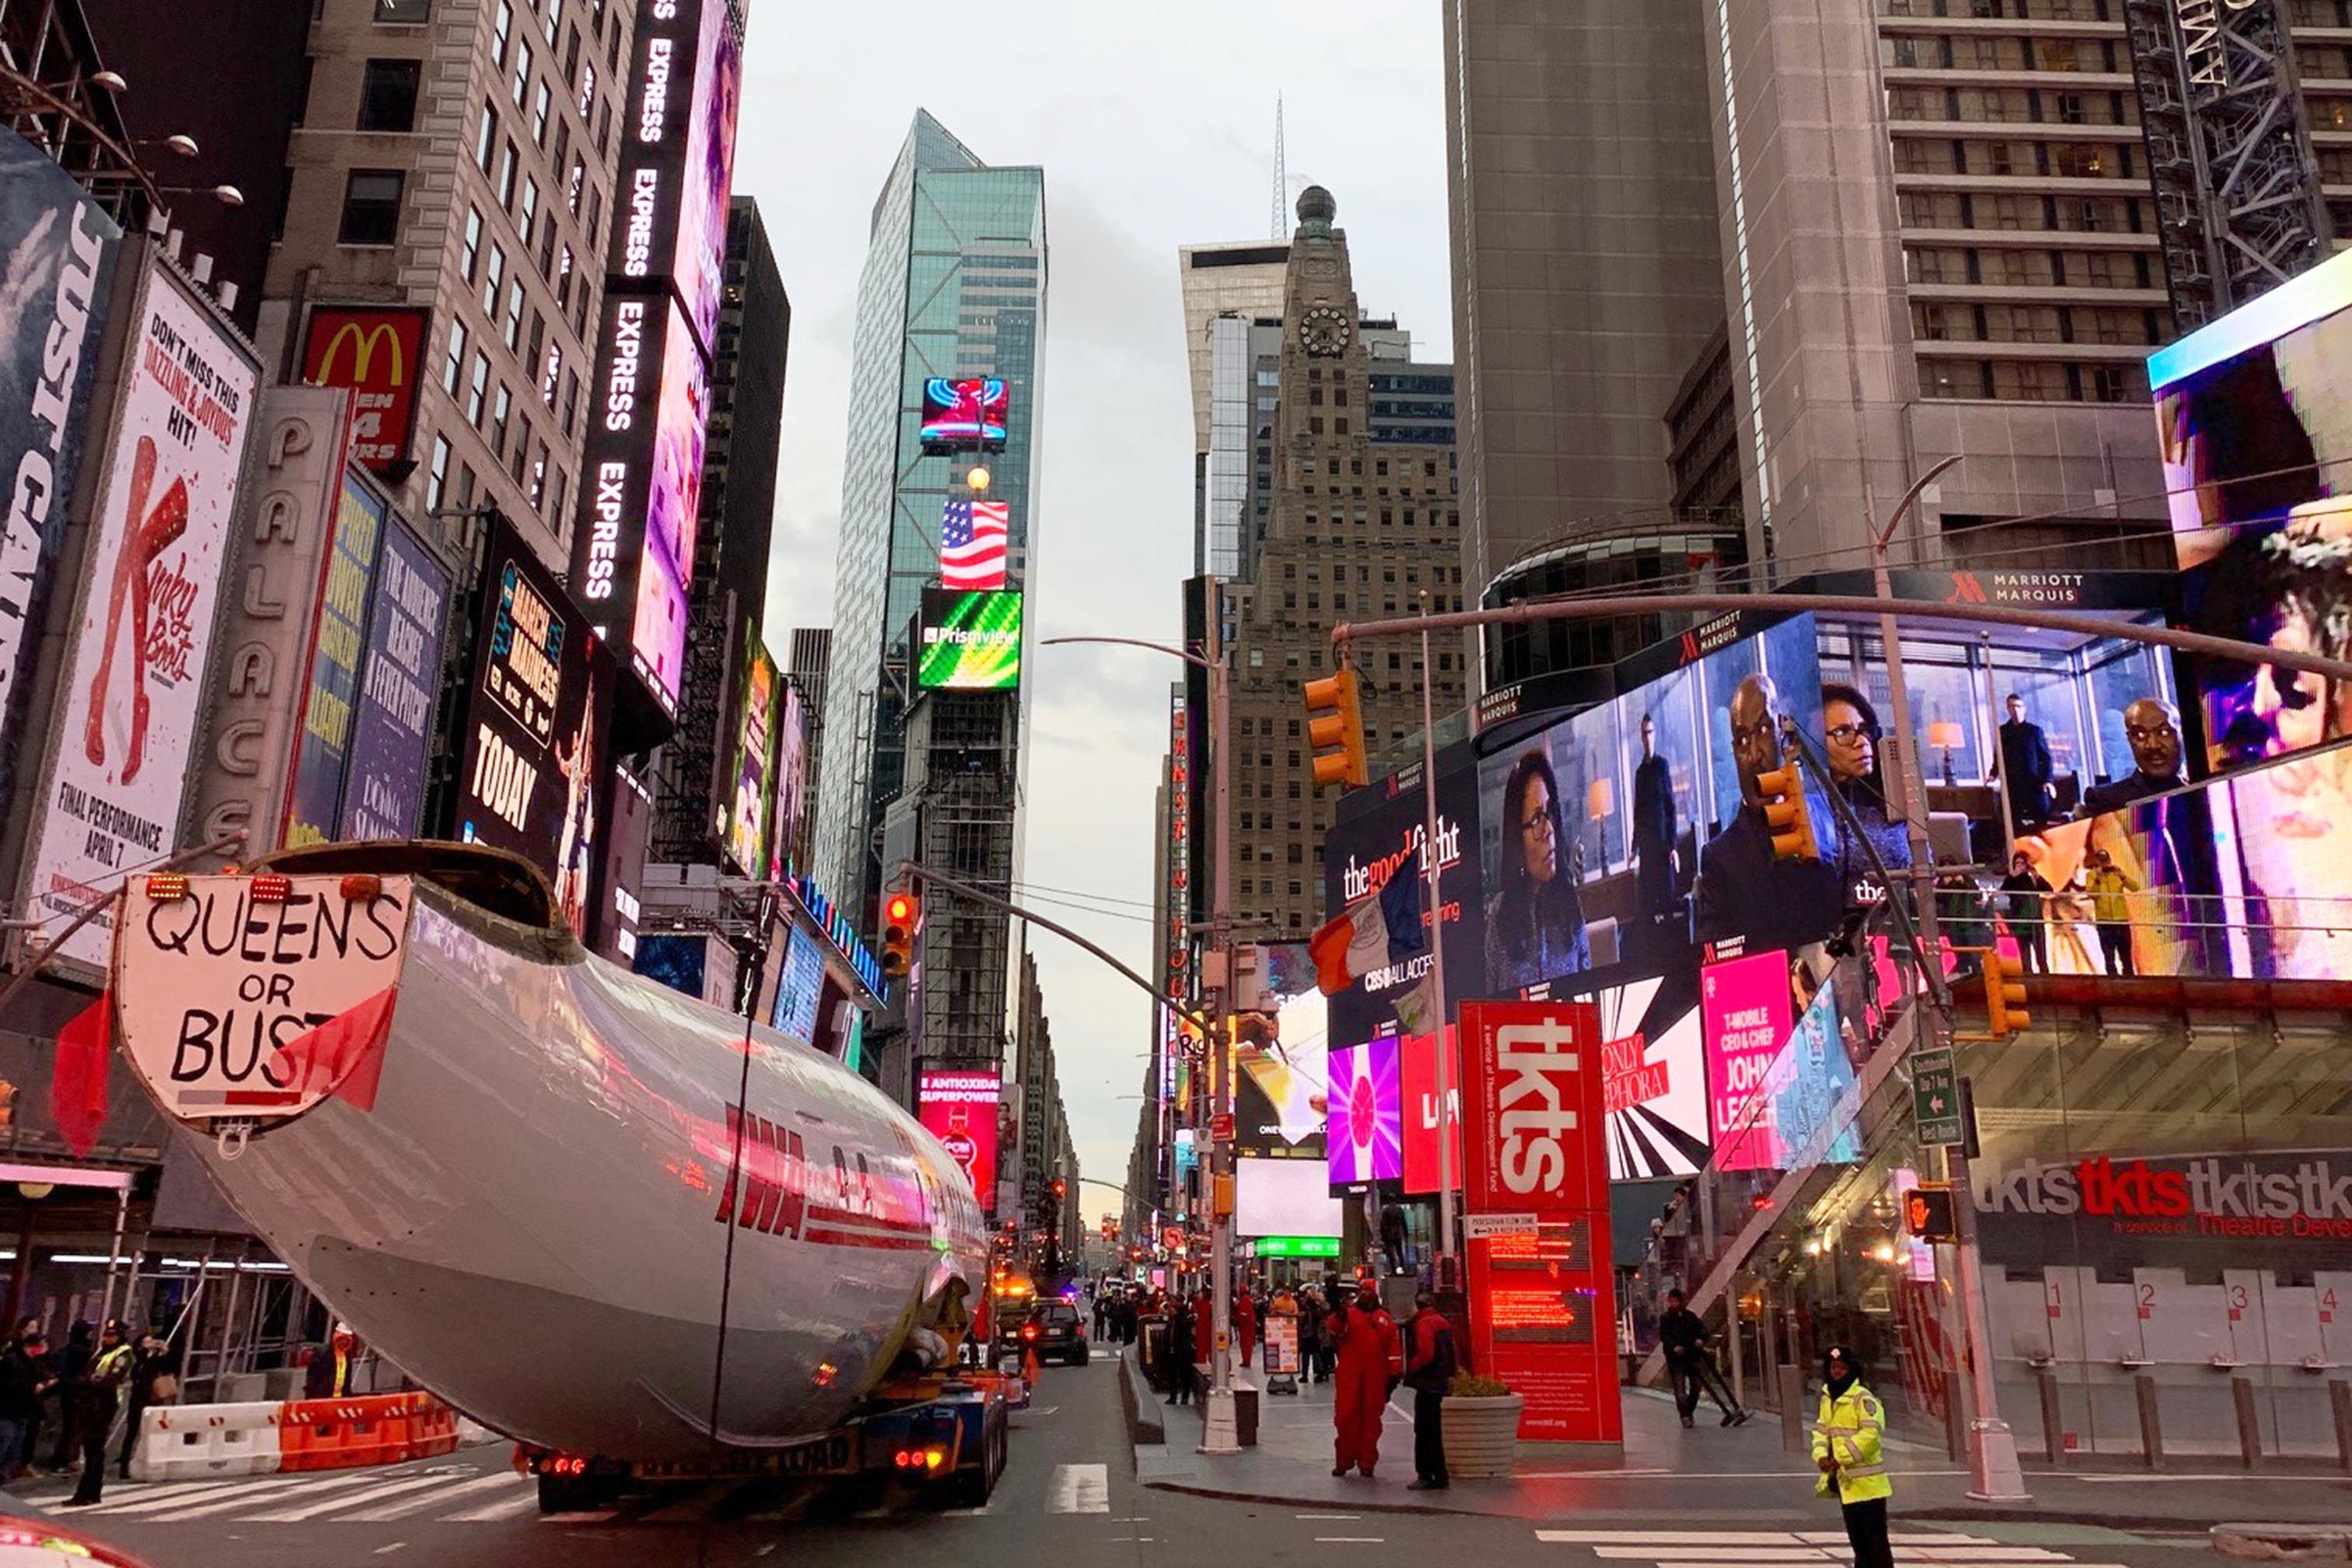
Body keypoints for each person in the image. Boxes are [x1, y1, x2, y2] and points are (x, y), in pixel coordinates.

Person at [1695, 674, 1843, 954]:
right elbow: (1716, 960)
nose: (1753, 754)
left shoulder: (1826, 814)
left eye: (1762, 729)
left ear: (1781, 731)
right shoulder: (1719, 858)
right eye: (1741, 739)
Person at [1484, 749, 1592, 990]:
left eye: (1549, 813)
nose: (1548, 830)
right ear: (1516, 838)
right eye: (1536, 819)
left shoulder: (1569, 901)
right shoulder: (1500, 916)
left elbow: (1589, 993)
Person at [1820, 683, 1911, 900]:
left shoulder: (1889, 795)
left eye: (1863, 730)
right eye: (1842, 732)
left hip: (1899, 922)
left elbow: (1922, 862)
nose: (1862, 742)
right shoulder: (1807, 807)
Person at [1811, 1344, 1893, 1568]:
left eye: (1841, 1367)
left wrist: (1841, 1457)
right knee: (1858, 1544)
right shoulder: (1828, 1397)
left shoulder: (1862, 1398)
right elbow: (1821, 1431)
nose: (1836, 1371)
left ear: (1851, 1369)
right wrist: (1820, 1456)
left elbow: (1871, 1435)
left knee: (1875, 1544)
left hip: (1868, 1486)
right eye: (1833, 1367)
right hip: (1845, 1484)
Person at [1329, 1277, 1398, 1478]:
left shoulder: (1385, 1319)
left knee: (1371, 1421)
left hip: (1375, 1376)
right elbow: (1334, 1328)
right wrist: (1339, 1314)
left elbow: (1393, 1348)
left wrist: (1393, 1376)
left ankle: (1366, 1462)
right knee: (1345, 1418)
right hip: (1350, 1375)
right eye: (1363, 1291)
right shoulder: (1349, 1315)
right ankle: (1344, 1461)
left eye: (1369, 1291)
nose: (1366, 1294)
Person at [62, 1321, 131, 1506]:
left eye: (111, 1335)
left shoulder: (123, 1354)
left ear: (120, 1336)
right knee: (92, 1449)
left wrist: (88, 1381)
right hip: (90, 1403)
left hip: (104, 1404)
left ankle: (88, 1492)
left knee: (94, 1449)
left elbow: (109, 1379)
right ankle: (88, 1492)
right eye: (105, 1335)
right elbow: (88, 1372)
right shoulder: (102, 1352)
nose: (106, 1338)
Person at [2080, 698, 2186, 816]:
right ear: (2130, 740)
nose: (2152, 745)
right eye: (2140, 735)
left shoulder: (2206, 788)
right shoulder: (2107, 802)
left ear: (2182, 733)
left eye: (2163, 732)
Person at [1658, 1289, 1748, 1428]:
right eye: (1671, 1301)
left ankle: (1687, 1412)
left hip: (1692, 1356)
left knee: (1696, 1385)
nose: (1673, 1304)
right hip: (1676, 1359)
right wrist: (1674, 1346)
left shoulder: (1690, 1316)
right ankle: (1685, 1416)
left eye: (1675, 1301)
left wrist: (1701, 1339)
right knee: (1680, 1389)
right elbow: (1664, 1336)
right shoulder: (1665, 1318)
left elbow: (1702, 1329)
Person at [1401, 1292, 1456, 1491]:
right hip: (1439, 1381)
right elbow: (1450, 1351)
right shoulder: (1442, 1321)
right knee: (1434, 1431)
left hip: (1427, 1382)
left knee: (1423, 1430)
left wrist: (1410, 1369)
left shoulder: (1424, 1324)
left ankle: (1425, 1474)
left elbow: (1425, 1354)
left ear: (1417, 1306)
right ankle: (1440, 1474)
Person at [1631, 713, 1681, 923]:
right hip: (1647, 845)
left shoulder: (1662, 766)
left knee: (1667, 899)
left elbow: (1670, 807)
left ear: (1655, 735)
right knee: (1648, 904)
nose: (1648, 738)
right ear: (1641, 738)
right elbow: (1638, 811)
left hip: (1662, 845)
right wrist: (1634, 848)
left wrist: (1673, 845)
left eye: (1650, 733)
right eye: (1644, 734)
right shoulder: (1640, 773)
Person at [118, 1325, 179, 1479]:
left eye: (152, 1341)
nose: (151, 1344)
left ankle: (149, 1464)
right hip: (138, 1398)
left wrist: (165, 1352)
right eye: (147, 1342)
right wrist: (148, 1351)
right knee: (132, 1431)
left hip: (153, 1398)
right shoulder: (138, 1357)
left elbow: (169, 1369)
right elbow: (138, 1365)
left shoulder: (157, 1359)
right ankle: (124, 1465)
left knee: (150, 1432)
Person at [1995, 693, 2056, 828]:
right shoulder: (2003, 732)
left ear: (2024, 708)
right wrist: (1993, 774)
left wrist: (2047, 781)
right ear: (2008, 709)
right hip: (2012, 785)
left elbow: (2046, 758)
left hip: (2034, 784)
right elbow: (1998, 756)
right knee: (2010, 822)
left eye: (2018, 706)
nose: (2015, 710)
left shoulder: (2034, 731)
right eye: (2011, 707)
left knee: (2041, 820)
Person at [0, 1331, 52, 1482]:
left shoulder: (33, 1363)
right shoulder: (12, 1361)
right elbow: (8, 1384)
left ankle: (4, 1474)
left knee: (15, 1446)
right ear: (28, 1346)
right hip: (8, 1409)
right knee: (5, 1441)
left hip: (23, 1410)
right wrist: (32, 1387)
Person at [2085, 848, 2139, 976]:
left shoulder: (2117, 873)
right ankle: (2111, 981)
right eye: (2101, 862)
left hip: (2121, 920)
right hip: (2104, 921)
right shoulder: (2092, 875)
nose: (2104, 864)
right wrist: (2098, 878)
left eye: (2106, 861)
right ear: (2097, 862)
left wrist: (2122, 876)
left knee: (2126, 955)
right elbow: (2091, 894)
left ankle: (2130, 980)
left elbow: (2135, 887)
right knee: (2109, 957)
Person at [45, 1321, 92, 1473]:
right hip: (76, 1393)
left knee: (68, 1427)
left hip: (67, 1391)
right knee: (72, 1428)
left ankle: (62, 1458)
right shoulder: (81, 1351)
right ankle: (63, 1459)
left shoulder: (68, 1348)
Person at [1998, 852, 2053, 975]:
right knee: (2025, 958)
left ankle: (2046, 980)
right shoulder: (2012, 880)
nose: (2020, 866)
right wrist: (2012, 876)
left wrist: (2037, 876)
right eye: (2017, 863)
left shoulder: (2031, 879)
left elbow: (2049, 890)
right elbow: (2003, 891)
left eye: (2022, 863)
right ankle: (2029, 983)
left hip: (2036, 921)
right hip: (2020, 923)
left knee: (2042, 957)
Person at [306, 1323, 361, 1399]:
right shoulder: (323, 1353)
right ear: (335, 1335)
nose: (344, 1342)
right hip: (322, 1398)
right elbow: (312, 1378)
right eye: (342, 1338)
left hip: (339, 1398)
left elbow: (347, 1379)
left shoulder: (347, 1356)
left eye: (347, 1339)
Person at [1164, 1294, 1198, 1405]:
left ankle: (1185, 1396)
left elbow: (1185, 1325)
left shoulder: (1183, 1315)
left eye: (1174, 1301)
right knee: (1172, 1374)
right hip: (1172, 1349)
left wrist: (1176, 1316)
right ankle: (1173, 1397)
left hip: (1183, 1350)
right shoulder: (1172, 1317)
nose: (1171, 1304)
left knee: (1184, 1374)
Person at [1236, 1285, 1258, 1371]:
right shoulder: (1246, 1299)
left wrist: (1238, 1319)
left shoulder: (1244, 1300)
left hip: (1246, 1326)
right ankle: (1245, 1360)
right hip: (1247, 1326)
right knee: (1246, 1343)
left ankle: (1246, 1361)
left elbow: (1244, 1314)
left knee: (1246, 1344)